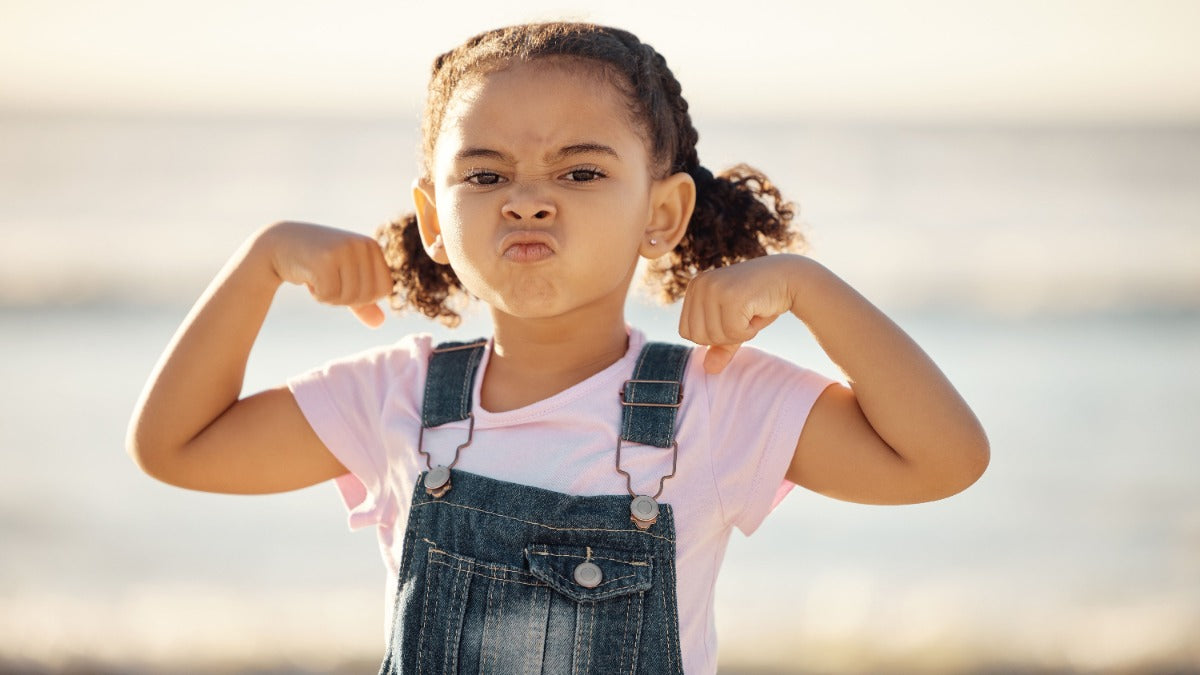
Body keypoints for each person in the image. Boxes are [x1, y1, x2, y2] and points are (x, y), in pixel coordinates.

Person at [127, 22, 989, 675]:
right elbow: (177, 445)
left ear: (662, 213)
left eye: (581, 172)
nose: (528, 201)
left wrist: (810, 287)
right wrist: (262, 260)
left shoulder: (716, 401)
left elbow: (942, 460)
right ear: (433, 218)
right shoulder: (394, 395)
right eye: (486, 173)